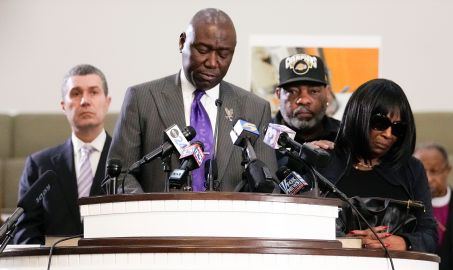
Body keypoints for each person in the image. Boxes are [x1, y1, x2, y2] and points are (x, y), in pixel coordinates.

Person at [108, 8, 277, 193]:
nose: (212, 62)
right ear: (182, 42)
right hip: (160, 220)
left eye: (223, 54)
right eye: (203, 50)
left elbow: (268, 188)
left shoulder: (255, 109)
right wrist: (148, 212)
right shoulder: (142, 99)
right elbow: (120, 176)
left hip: (230, 221)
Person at [319, 78, 437, 252]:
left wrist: (404, 243)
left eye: (398, 128)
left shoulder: (412, 169)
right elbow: (298, 227)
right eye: (380, 123)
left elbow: (429, 235)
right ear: (359, 116)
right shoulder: (323, 162)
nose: (388, 134)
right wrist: (346, 242)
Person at [14, 64, 112, 244]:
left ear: (107, 102)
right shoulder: (39, 164)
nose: (84, 101)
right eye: (75, 93)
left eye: (93, 92)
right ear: (63, 105)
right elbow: (24, 229)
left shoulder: (129, 158)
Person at [274, 53, 339, 146]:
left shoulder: (347, 135)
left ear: (327, 93)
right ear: (279, 94)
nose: (304, 100)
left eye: (314, 91)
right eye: (292, 91)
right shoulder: (259, 137)